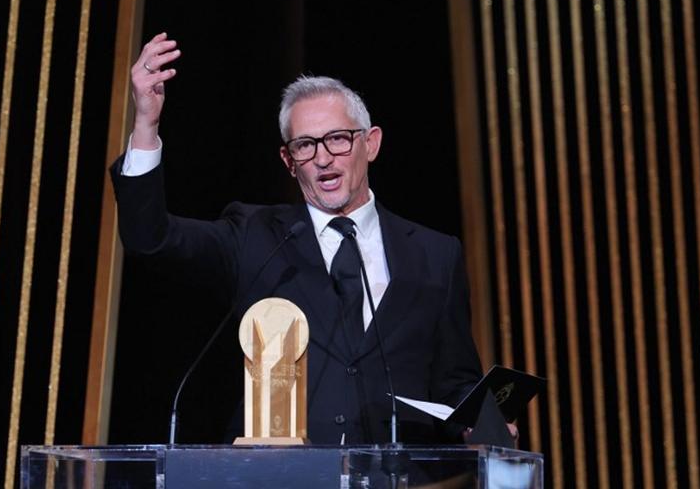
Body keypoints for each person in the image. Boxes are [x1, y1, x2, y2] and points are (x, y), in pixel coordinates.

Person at [111, 33, 486, 444]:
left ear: (371, 143)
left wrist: (482, 423)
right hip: (283, 477)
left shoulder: (435, 254)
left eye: (338, 139)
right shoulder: (255, 237)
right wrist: (146, 123)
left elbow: (456, 383)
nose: (322, 158)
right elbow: (151, 239)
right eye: (305, 146)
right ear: (289, 162)